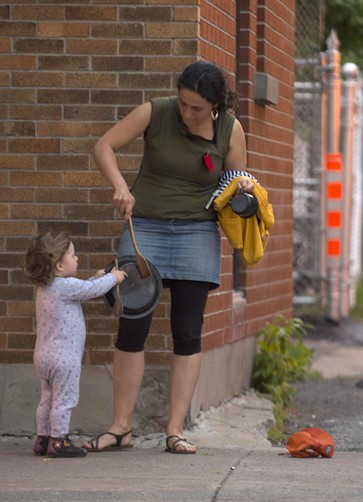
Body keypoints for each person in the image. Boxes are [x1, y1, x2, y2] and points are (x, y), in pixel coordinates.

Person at [82, 60, 255, 455]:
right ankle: (120, 427)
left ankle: (175, 430)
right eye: (183, 104)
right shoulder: (156, 111)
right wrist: (120, 186)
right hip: (145, 228)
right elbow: (103, 145)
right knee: (132, 326)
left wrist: (243, 184)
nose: (187, 113)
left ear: (215, 105)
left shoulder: (230, 130)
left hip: (197, 232)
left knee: (187, 331)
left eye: (197, 108)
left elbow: (232, 183)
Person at [24, 232, 127, 458]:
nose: (77, 258)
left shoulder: (46, 287)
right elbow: (91, 291)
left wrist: (94, 277)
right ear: (59, 265)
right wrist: (114, 278)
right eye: (73, 255)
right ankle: (58, 441)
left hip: (43, 356)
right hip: (64, 358)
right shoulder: (66, 286)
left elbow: (81, 289)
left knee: (47, 398)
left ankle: (43, 439)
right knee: (64, 399)